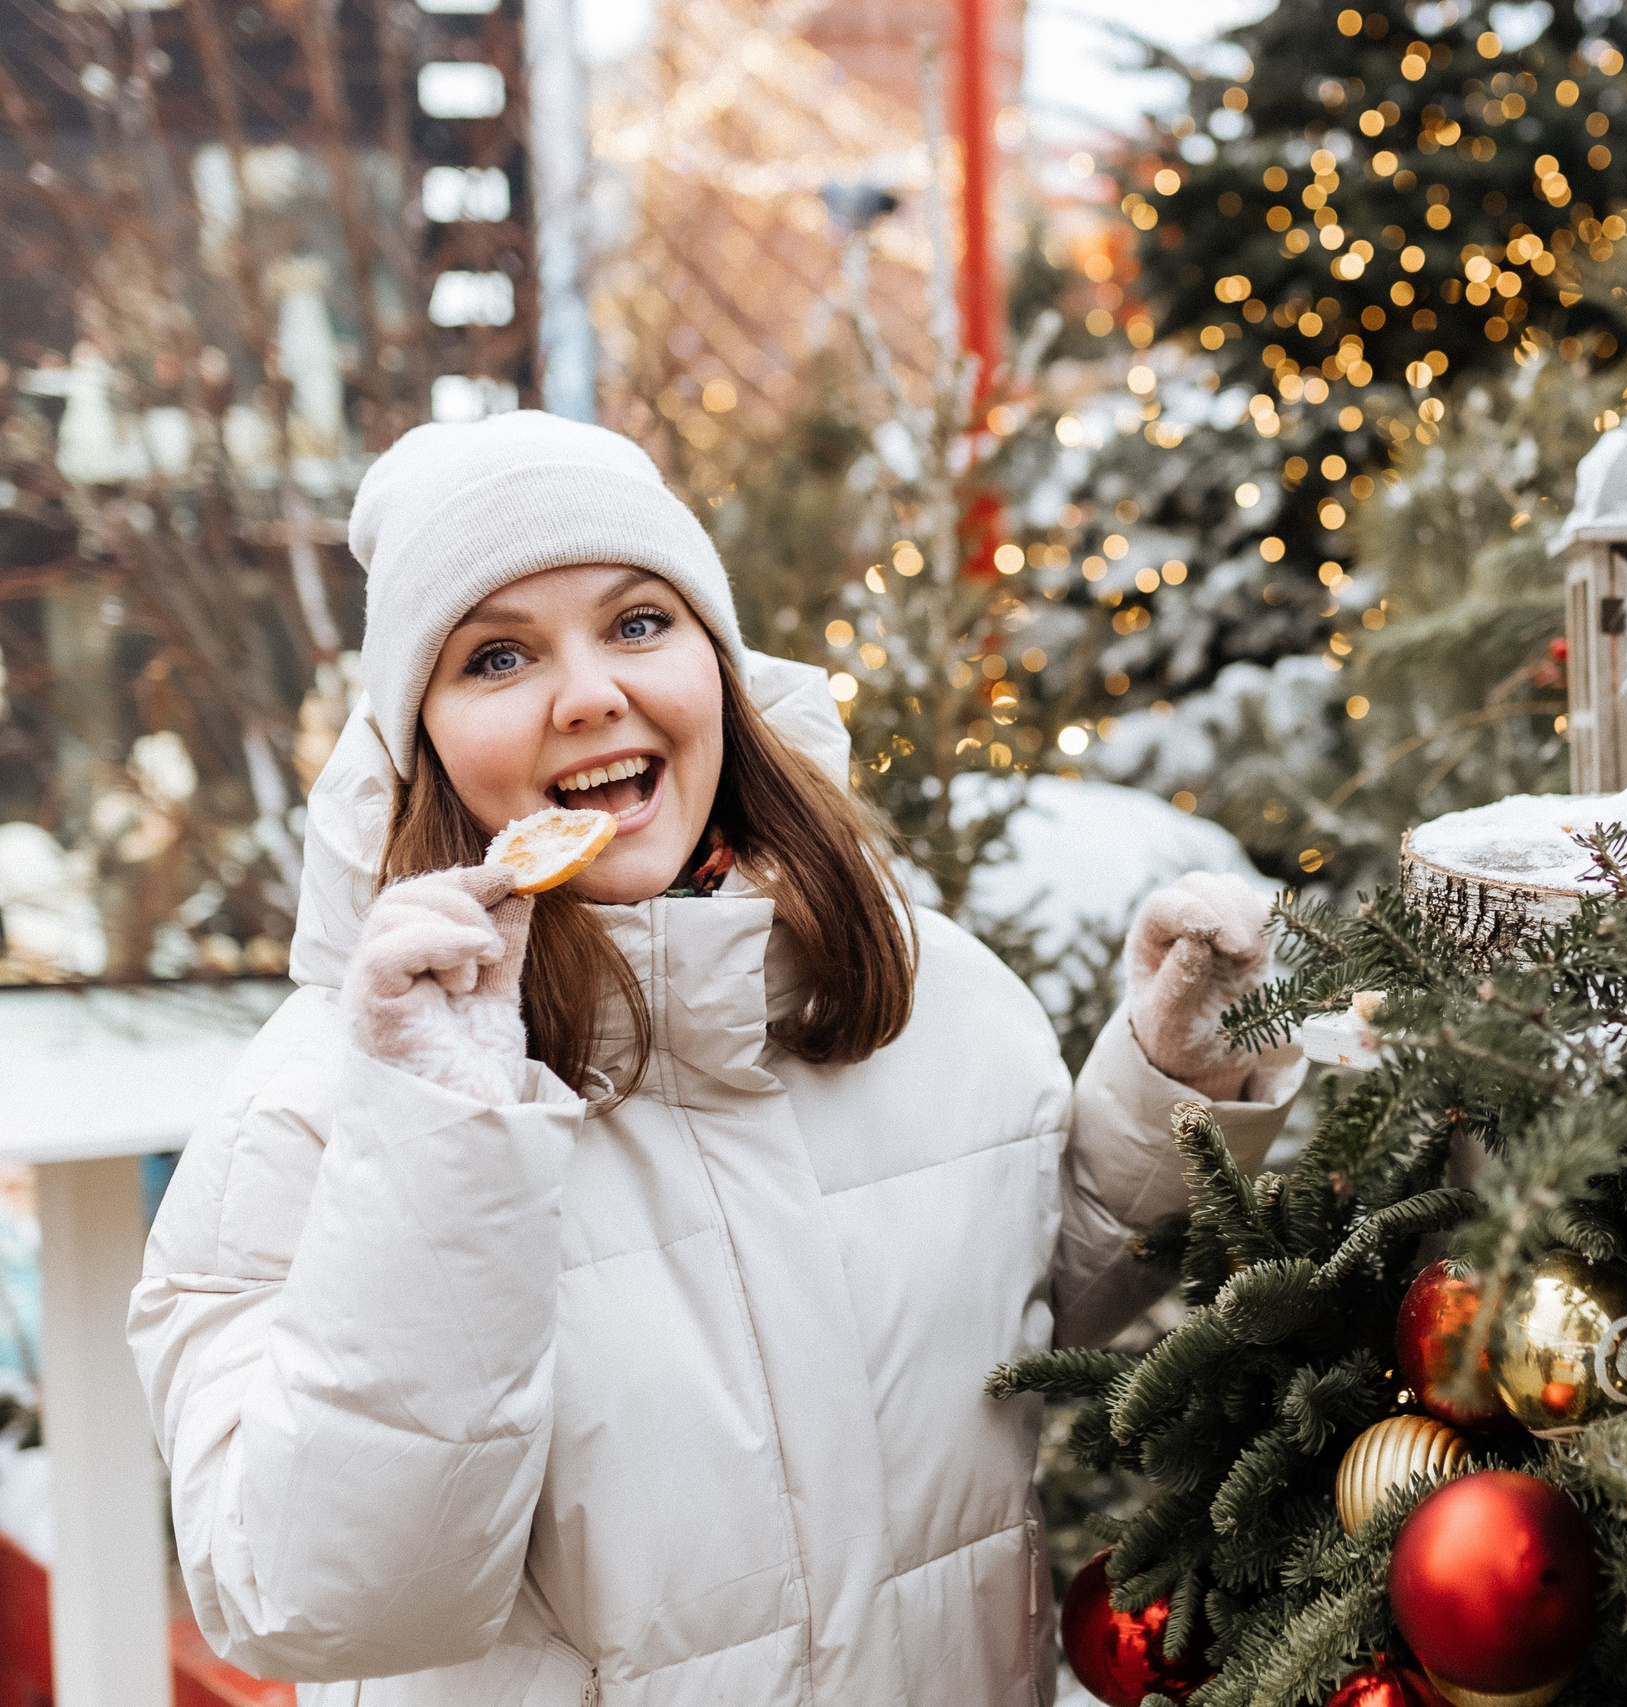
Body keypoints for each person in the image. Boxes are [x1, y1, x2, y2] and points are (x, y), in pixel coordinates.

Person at [127, 412, 1304, 1706]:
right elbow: (315, 1598)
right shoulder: (324, 1101)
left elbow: (1005, 1328)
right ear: (421, 743)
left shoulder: (931, 986)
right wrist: (438, 1147)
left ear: (719, 670)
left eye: (639, 623)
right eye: (497, 654)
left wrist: (1173, 1088)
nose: (588, 694)